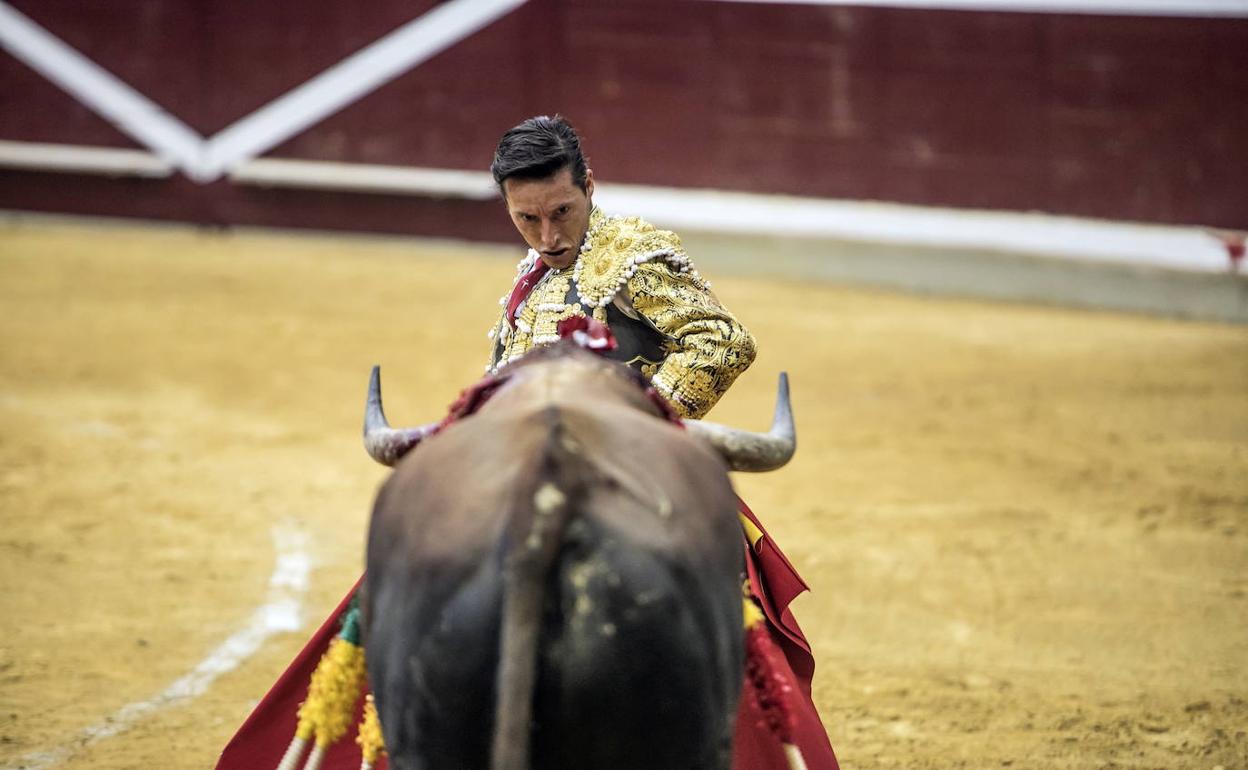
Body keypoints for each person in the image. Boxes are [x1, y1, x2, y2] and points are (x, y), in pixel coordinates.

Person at [215, 116, 838, 770]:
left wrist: (640, 420)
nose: (549, 236)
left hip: (629, 471)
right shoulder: (532, 272)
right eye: (528, 219)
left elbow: (723, 341)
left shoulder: (635, 258)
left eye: (562, 212)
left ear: (589, 187)